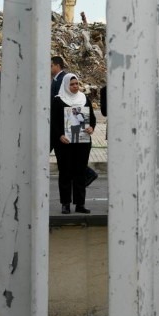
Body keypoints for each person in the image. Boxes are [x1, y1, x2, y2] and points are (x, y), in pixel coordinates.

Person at [51, 72, 96, 214]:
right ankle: (65, 203)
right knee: (65, 172)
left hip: (82, 142)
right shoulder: (59, 100)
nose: (75, 86)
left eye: (76, 83)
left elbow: (92, 118)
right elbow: (53, 122)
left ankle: (80, 204)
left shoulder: (83, 99)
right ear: (66, 85)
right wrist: (59, 136)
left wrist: (91, 127)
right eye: (72, 84)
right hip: (65, 143)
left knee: (80, 172)